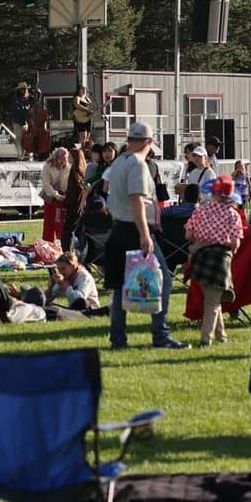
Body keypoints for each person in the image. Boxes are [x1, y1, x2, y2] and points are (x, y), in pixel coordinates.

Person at [106, 121, 188, 350]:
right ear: (148, 142)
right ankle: (160, 335)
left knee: (120, 286)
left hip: (118, 228)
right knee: (164, 280)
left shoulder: (119, 161)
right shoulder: (138, 165)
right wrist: (145, 234)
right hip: (134, 229)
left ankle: (118, 339)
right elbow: (136, 199)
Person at [185, 174, 244, 347]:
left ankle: (221, 336)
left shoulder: (200, 210)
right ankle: (205, 339)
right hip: (220, 259)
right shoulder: (233, 215)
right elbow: (235, 242)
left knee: (212, 299)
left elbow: (188, 234)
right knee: (212, 301)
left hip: (199, 257)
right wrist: (232, 251)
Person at [61, 149, 88, 254]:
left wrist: (66, 201)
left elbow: (74, 191)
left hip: (74, 206)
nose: (68, 158)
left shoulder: (74, 171)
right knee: (80, 231)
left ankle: (66, 252)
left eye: (70, 156)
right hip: (79, 206)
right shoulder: (82, 170)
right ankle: (80, 252)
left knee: (67, 232)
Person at [40, 147, 69, 244]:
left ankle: (61, 243)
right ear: (56, 158)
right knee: (49, 222)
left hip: (62, 197)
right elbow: (46, 184)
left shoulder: (68, 167)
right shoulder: (48, 167)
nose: (63, 162)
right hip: (50, 197)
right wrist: (56, 195)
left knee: (60, 222)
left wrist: (64, 195)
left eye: (65, 159)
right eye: (61, 159)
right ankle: (48, 244)